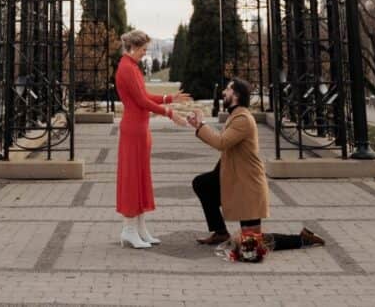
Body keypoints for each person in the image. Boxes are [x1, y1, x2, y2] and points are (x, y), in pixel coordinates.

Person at [114, 29, 190, 249]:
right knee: (132, 178)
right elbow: (141, 100)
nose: (145, 54)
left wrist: (169, 98)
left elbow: (144, 96)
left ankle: (139, 228)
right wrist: (169, 113)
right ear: (133, 47)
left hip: (139, 128)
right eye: (143, 49)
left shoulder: (132, 67)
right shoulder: (127, 69)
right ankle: (129, 229)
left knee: (140, 177)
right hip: (133, 129)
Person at [187, 77, 269, 244]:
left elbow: (221, 143)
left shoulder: (243, 119)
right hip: (235, 177)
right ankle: (220, 232)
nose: (224, 92)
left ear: (237, 95)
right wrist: (199, 126)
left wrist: (201, 124)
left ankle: (301, 239)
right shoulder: (236, 116)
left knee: (252, 242)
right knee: (203, 184)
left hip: (248, 185)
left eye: (228, 89)